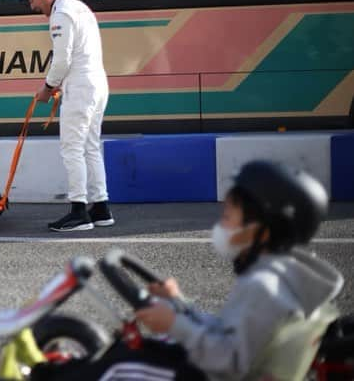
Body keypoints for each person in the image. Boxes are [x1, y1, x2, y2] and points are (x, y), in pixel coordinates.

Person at [25, 160, 343, 380]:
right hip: (213, 367)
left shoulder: (264, 286)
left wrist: (174, 322)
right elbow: (228, 334)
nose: (221, 225)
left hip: (210, 374)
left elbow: (229, 362)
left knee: (117, 367)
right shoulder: (280, 277)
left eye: (229, 217)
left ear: (264, 228)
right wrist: (181, 306)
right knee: (129, 353)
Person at [21, 0, 113, 232]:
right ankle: (101, 208)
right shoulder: (80, 7)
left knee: (71, 149)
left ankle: (78, 212)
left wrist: (47, 88)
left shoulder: (61, 14)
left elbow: (62, 59)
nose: (33, 7)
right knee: (91, 147)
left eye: (32, 0)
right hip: (98, 83)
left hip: (81, 88)